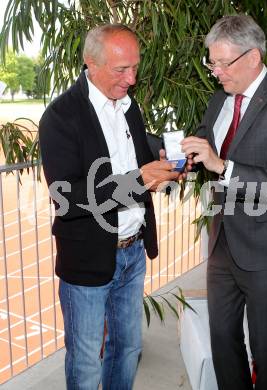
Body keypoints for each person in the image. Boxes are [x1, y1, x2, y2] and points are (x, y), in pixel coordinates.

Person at [39, 24, 180, 390]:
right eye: (121, 70)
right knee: (86, 362)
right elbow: (67, 196)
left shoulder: (129, 107)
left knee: (128, 348)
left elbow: (130, 157)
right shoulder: (60, 116)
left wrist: (162, 162)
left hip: (132, 251)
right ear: (91, 63)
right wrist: (139, 179)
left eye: (135, 67)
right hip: (87, 260)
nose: (131, 78)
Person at [181, 15, 267, 390]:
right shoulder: (219, 100)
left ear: (253, 57)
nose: (216, 72)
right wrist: (187, 157)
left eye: (223, 63)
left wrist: (221, 166)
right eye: (212, 63)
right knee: (223, 342)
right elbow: (210, 148)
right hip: (223, 242)